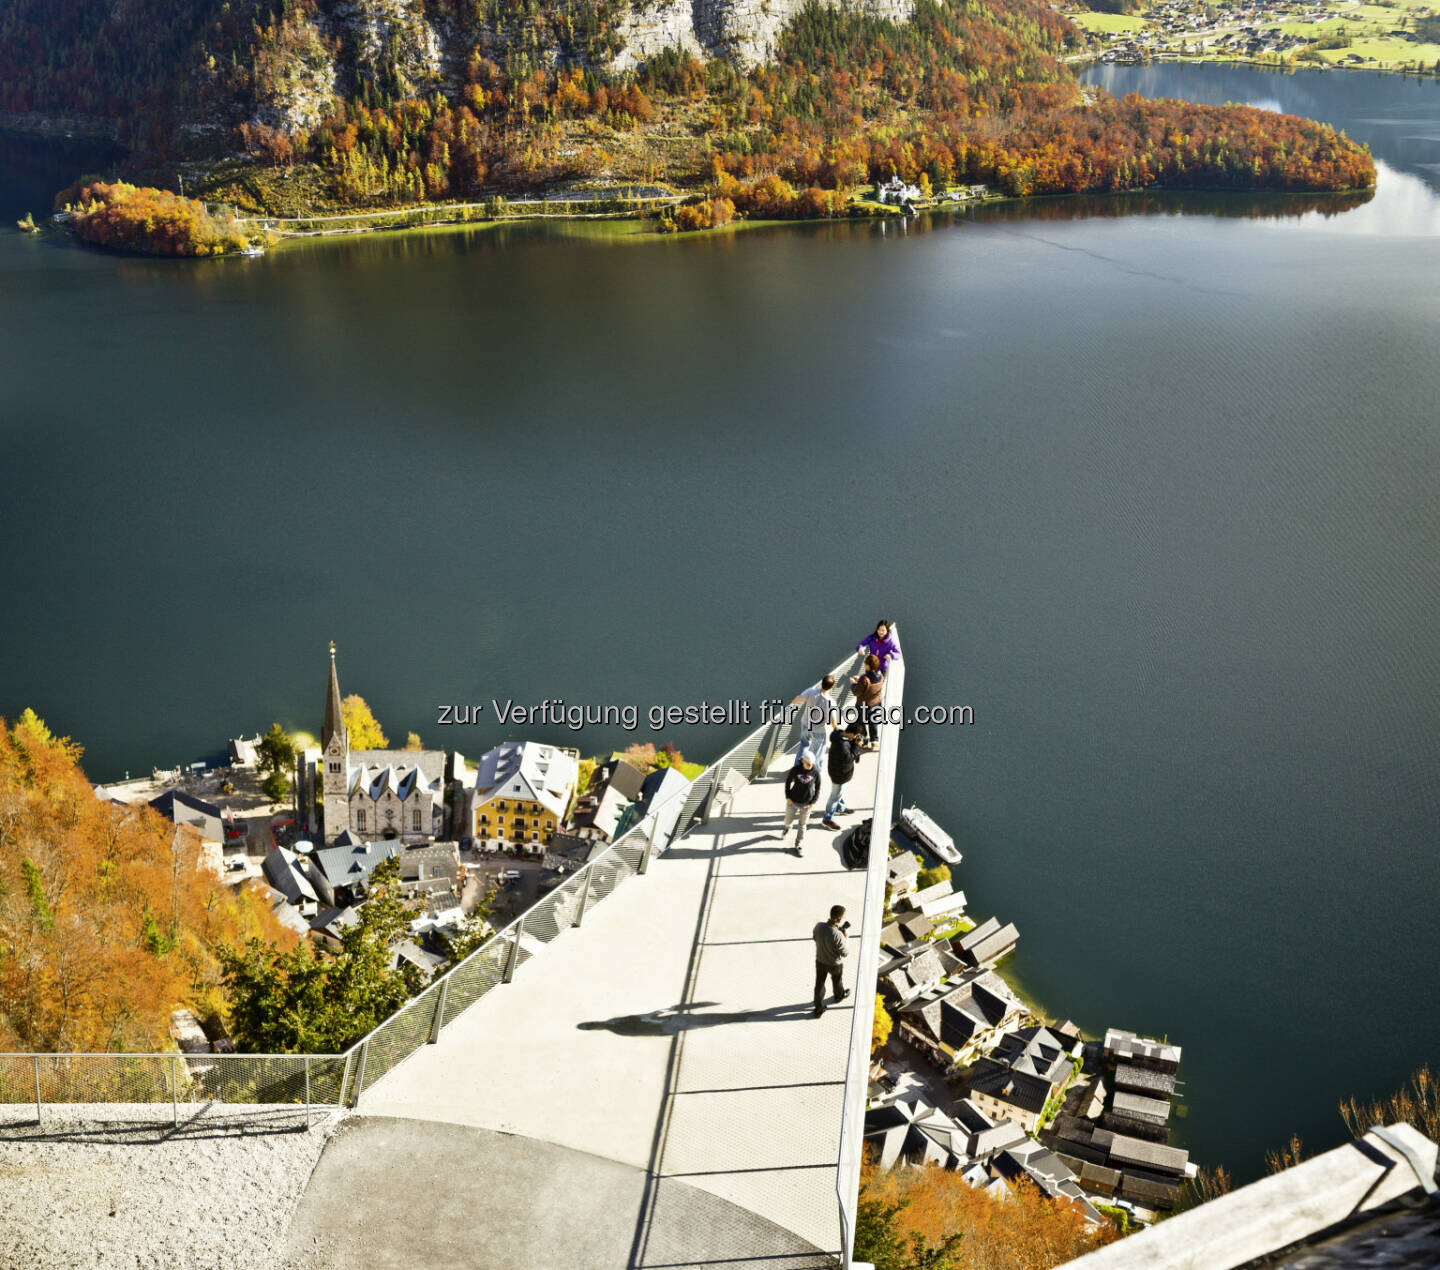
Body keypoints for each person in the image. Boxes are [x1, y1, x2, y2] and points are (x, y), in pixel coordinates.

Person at [820, 724, 862, 830]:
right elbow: (849, 758)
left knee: (839, 793)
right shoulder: (842, 745)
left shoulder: (839, 735)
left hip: (838, 772)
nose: (857, 737)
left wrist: (854, 742)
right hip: (839, 775)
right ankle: (827, 819)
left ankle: (840, 808)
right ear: (852, 734)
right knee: (835, 796)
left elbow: (848, 747)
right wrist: (857, 745)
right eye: (856, 735)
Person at [812, 904, 852, 1016]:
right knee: (837, 981)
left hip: (820, 961)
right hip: (834, 964)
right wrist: (846, 938)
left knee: (819, 984)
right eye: (843, 917)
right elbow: (845, 953)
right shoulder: (838, 935)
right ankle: (839, 996)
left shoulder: (818, 926)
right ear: (839, 919)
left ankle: (818, 1008)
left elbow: (815, 938)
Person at [794, 673, 837, 768]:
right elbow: (833, 721)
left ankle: (797, 767)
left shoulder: (810, 691)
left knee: (804, 744)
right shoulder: (831, 702)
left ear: (822, 683)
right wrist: (837, 730)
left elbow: (795, 701)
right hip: (818, 730)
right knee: (817, 752)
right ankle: (815, 772)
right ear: (832, 687)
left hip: (805, 724)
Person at [782, 755, 821, 855]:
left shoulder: (815, 773)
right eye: (808, 764)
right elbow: (788, 782)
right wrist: (788, 797)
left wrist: (813, 803)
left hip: (806, 804)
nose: (810, 766)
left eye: (811, 764)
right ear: (803, 760)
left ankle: (799, 843)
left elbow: (818, 788)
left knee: (802, 825)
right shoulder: (795, 770)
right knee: (788, 820)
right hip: (793, 801)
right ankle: (787, 828)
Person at [849, 654, 885, 750]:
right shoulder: (881, 675)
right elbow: (869, 685)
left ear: (868, 665)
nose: (864, 664)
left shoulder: (864, 679)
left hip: (863, 705)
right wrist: (859, 680)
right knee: (873, 722)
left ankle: (864, 742)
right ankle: (874, 742)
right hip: (876, 703)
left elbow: (857, 692)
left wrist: (853, 683)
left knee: (861, 723)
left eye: (865, 663)